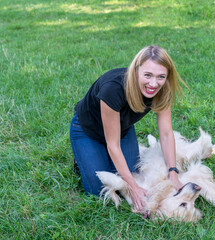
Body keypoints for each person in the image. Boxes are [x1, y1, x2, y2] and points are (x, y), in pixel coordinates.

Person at [70, 45, 186, 211]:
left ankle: (101, 159)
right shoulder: (113, 89)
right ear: (136, 70)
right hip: (88, 132)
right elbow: (113, 145)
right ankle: (82, 159)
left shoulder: (162, 89)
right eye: (148, 75)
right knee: (98, 191)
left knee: (133, 174)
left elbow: (166, 133)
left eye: (161, 76)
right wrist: (132, 186)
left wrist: (173, 172)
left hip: (122, 129)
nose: (154, 83)